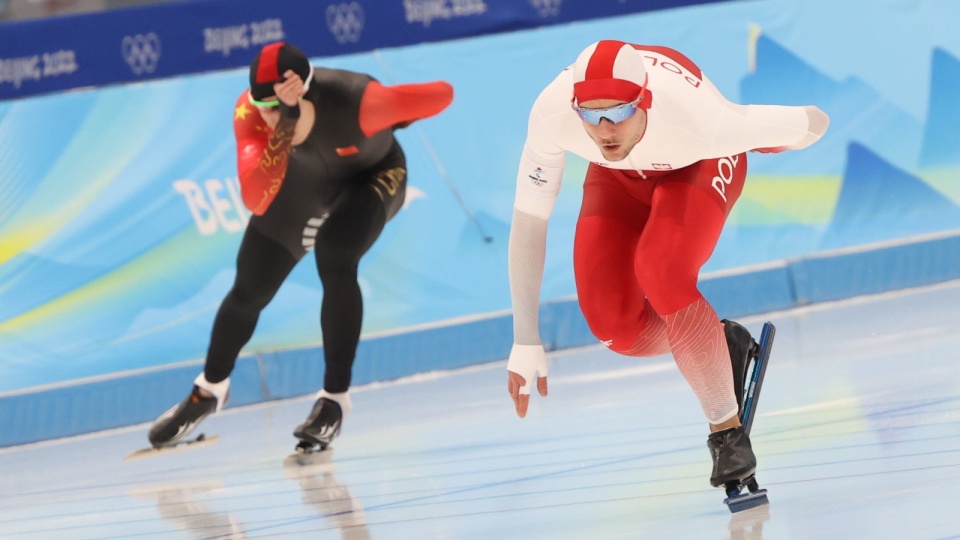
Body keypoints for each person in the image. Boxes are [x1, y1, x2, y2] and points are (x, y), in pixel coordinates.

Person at [505, 40, 828, 489]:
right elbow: (528, 222)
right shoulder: (552, 113)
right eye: (590, 114)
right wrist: (525, 339)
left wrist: (780, 135)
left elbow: (814, 121)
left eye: (618, 112)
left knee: (661, 269)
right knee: (614, 326)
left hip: (697, 161)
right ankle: (717, 342)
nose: (603, 128)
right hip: (617, 177)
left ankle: (727, 434)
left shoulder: (700, 121)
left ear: (646, 101)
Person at [149, 42, 454, 451]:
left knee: (335, 254)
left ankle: (334, 401)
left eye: (279, 108)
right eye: (264, 107)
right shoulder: (253, 114)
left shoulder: (360, 101)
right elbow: (256, 198)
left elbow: (443, 94)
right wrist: (285, 122)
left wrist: (401, 114)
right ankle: (209, 390)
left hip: (373, 178)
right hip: (302, 185)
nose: (269, 117)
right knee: (249, 289)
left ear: (306, 95)